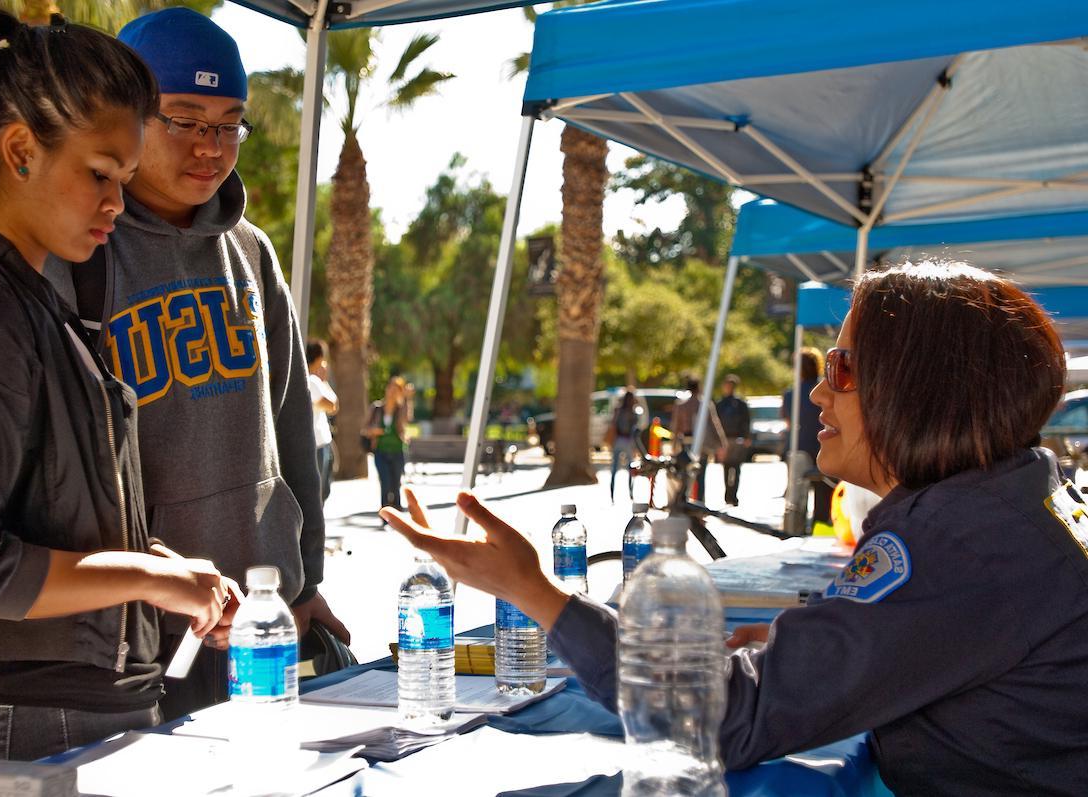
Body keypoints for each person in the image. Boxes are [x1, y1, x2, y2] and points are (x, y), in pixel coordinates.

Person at [382, 261, 1088, 795]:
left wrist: (533, 591)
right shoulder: (1009, 500)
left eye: (841, 369)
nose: (817, 389)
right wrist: (811, 638)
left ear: (918, 388)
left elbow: (722, 720)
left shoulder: (960, 541)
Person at [0, 10, 238, 765]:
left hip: (75, 712)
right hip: (24, 721)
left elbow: (58, 517)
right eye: (101, 174)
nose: (118, 201)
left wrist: (168, 572)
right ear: (19, 149)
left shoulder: (33, 297)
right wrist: (148, 575)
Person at [43, 7, 348, 720]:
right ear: (126, 119)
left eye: (228, 122)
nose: (209, 146)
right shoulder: (76, 256)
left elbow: (291, 429)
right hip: (136, 642)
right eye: (184, 118)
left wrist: (303, 585)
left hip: (264, 625)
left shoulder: (253, 253)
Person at [782, 347, 834, 531]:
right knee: (824, 495)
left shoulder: (790, 394)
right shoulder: (827, 390)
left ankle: (794, 532)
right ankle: (820, 530)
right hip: (825, 446)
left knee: (796, 496)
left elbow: (789, 422)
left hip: (799, 447)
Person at [671, 375, 725, 504]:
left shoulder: (682, 406)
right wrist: (721, 443)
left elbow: (675, 426)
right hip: (702, 444)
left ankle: (685, 499)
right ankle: (699, 502)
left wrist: (674, 444)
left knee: (687, 474)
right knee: (700, 474)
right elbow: (714, 424)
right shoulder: (704, 404)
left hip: (687, 443)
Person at [365, 375, 413, 511]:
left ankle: (397, 513)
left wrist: (407, 399)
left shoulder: (400, 409)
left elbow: (407, 419)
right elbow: (365, 429)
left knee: (396, 484)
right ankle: (385, 514)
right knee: (385, 482)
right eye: (390, 388)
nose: (392, 391)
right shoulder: (376, 408)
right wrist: (373, 431)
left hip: (397, 450)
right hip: (380, 451)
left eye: (396, 389)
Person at [307, 340, 339, 503]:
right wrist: (324, 380)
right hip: (318, 444)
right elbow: (332, 405)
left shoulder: (308, 380)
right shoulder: (312, 381)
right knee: (320, 491)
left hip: (320, 443)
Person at [715, 374, 751, 506]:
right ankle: (727, 495)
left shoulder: (740, 404)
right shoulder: (720, 404)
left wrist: (746, 436)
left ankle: (733, 495)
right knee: (726, 468)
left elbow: (746, 421)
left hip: (737, 439)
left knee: (736, 468)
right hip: (725, 440)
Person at [606, 389, 642, 502]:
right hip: (628, 441)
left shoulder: (618, 411)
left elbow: (613, 424)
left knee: (614, 469)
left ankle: (612, 494)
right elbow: (635, 430)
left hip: (618, 440)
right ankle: (630, 493)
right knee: (630, 468)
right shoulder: (633, 412)